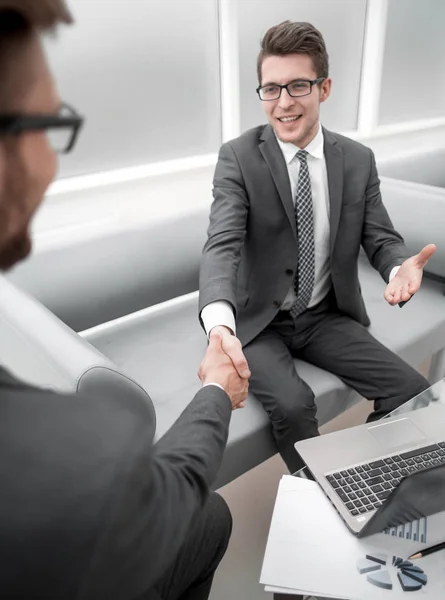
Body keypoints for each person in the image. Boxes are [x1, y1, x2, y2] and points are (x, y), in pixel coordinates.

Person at [0, 2, 249, 599]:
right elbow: (160, 487)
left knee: (210, 520)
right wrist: (216, 388)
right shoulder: (78, 450)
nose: (53, 163)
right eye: (48, 125)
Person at [199, 20, 435, 473]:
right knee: (292, 405)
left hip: (324, 314)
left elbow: (379, 237)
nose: (284, 102)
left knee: (412, 390)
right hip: (259, 322)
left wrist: (395, 267)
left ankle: (371, 480)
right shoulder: (238, 157)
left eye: (298, 85)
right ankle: (321, 496)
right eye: (271, 89)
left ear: (324, 88)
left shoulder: (357, 160)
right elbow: (221, 245)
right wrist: (220, 328)